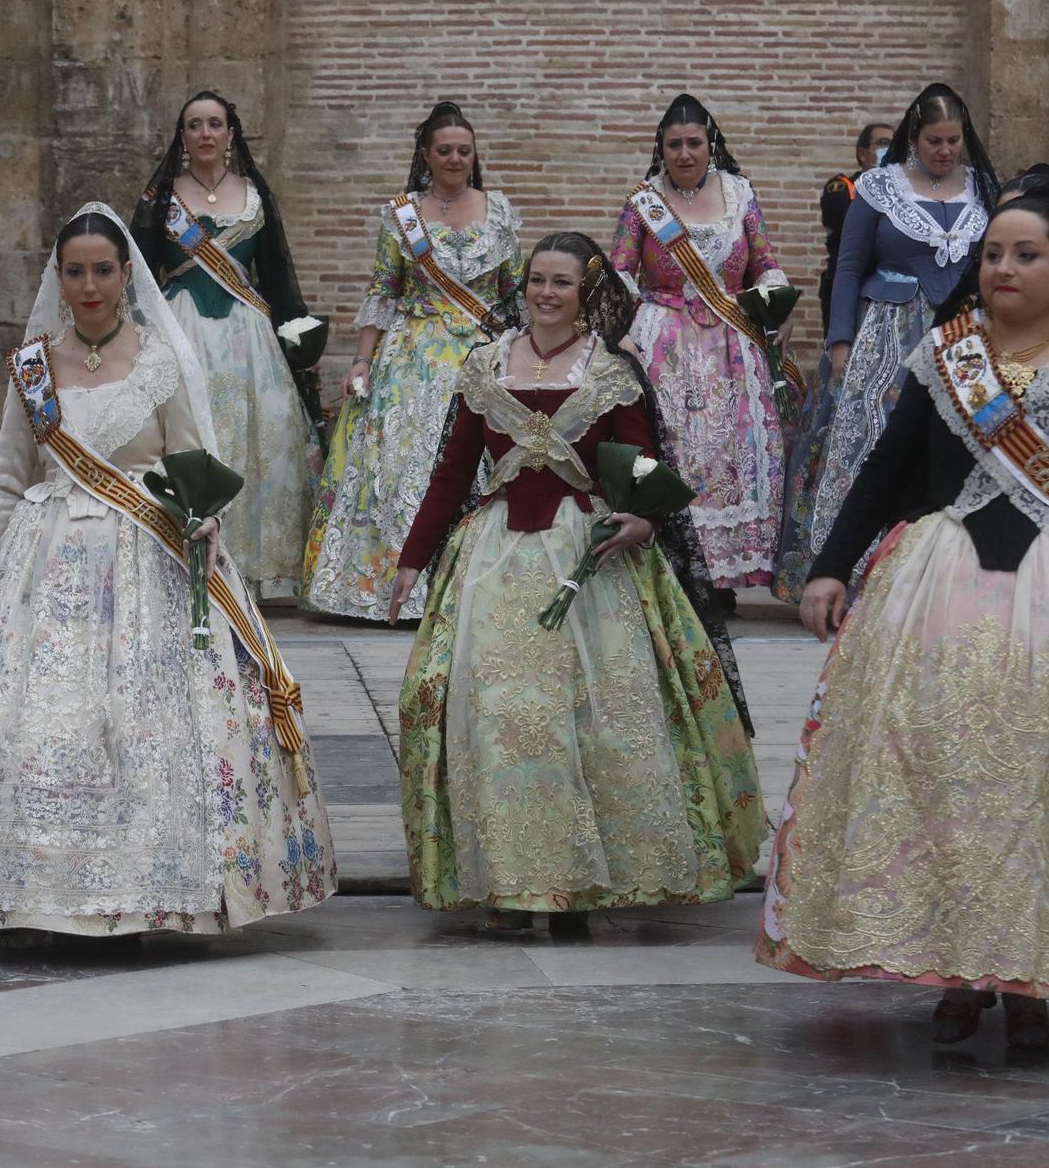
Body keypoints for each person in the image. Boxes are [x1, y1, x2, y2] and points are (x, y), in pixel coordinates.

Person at [757, 191, 1049, 1050]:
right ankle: (955, 971)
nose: (1004, 270)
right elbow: (883, 469)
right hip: (939, 592)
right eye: (992, 256)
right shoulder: (945, 359)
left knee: (1046, 786)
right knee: (936, 777)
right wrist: (830, 566)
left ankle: (1031, 982)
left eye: (1026, 255)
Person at [0, 203, 336, 944]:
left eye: (102, 269)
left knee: (143, 725)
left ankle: (148, 894)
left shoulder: (161, 362)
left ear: (125, 274)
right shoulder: (33, 367)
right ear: (59, 275)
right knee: (41, 720)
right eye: (73, 271)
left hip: (148, 562)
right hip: (43, 566)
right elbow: (8, 478)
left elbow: (192, 465)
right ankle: (35, 893)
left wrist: (204, 517)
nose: (88, 285)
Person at [390, 232, 764, 929]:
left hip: (590, 558)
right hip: (496, 558)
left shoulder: (612, 372)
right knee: (498, 717)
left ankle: (581, 888)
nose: (546, 293)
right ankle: (507, 881)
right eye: (537, 279)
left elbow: (644, 467)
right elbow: (451, 474)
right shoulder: (483, 365)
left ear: (587, 292)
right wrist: (414, 558)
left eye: (562, 282)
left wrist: (644, 522)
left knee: (594, 718)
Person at [774, 84, 997, 601]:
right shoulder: (878, 187)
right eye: (934, 140)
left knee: (970, 433)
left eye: (954, 140)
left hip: (963, 334)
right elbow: (849, 267)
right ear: (913, 138)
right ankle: (853, 570)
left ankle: (953, 567)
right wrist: (840, 341)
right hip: (889, 333)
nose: (945, 150)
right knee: (873, 442)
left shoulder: (983, 187)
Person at [303, 101, 522, 621]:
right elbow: (384, 289)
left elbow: (514, 293)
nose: (454, 159)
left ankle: (471, 586)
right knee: (397, 468)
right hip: (411, 357)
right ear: (426, 155)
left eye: (463, 151)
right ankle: (382, 589)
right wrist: (361, 360)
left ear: (474, 155)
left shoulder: (502, 212)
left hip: (481, 356)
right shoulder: (401, 215)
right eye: (444, 150)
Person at [130, 90, 321, 599]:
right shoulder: (161, 199)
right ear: (183, 136)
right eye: (195, 125)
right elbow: (140, 274)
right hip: (182, 328)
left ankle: (251, 571)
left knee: (266, 437)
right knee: (192, 430)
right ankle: (183, 556)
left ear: (231, 134)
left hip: (249, 337)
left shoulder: (255, 194)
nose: (206, 134)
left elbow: (277, 275)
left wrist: (295, 332)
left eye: (215, 124)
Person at [608, 93, 795, 598]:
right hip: (663, 341)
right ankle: (675, 561)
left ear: (710, 145)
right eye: (674, 145)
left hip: (731, 343)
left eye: (694, 143)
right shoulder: (642, 201)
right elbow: (619, 271)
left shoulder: (739, 194)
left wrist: (776, 300)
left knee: (729, 454)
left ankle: (724, 575)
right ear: (661, 149)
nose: (685, 153)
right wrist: (623, 330)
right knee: (677, 450)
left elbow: (765, 261)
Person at [817, 122, 894, 334]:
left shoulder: (903, 192)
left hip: (885, 289)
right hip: (845, 285)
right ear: (862, 153)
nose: (890, 149)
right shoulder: (842, 187)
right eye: (883, 143)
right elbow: (844, 220)